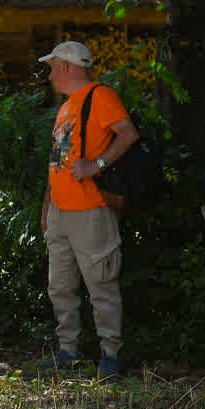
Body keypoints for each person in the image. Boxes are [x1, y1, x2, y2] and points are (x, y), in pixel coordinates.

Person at [37, 40, 140, 380]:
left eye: (53, 68)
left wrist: (96, 165)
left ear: (66, 66)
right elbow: (58, 161)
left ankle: (111, 355)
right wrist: (47, 207)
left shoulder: (100, 96)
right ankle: (68, 351)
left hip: (91, 209)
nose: (50, 75)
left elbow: (128, 134)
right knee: (60, 285)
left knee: (101, 284)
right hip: (62, 212)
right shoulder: (67, 107)